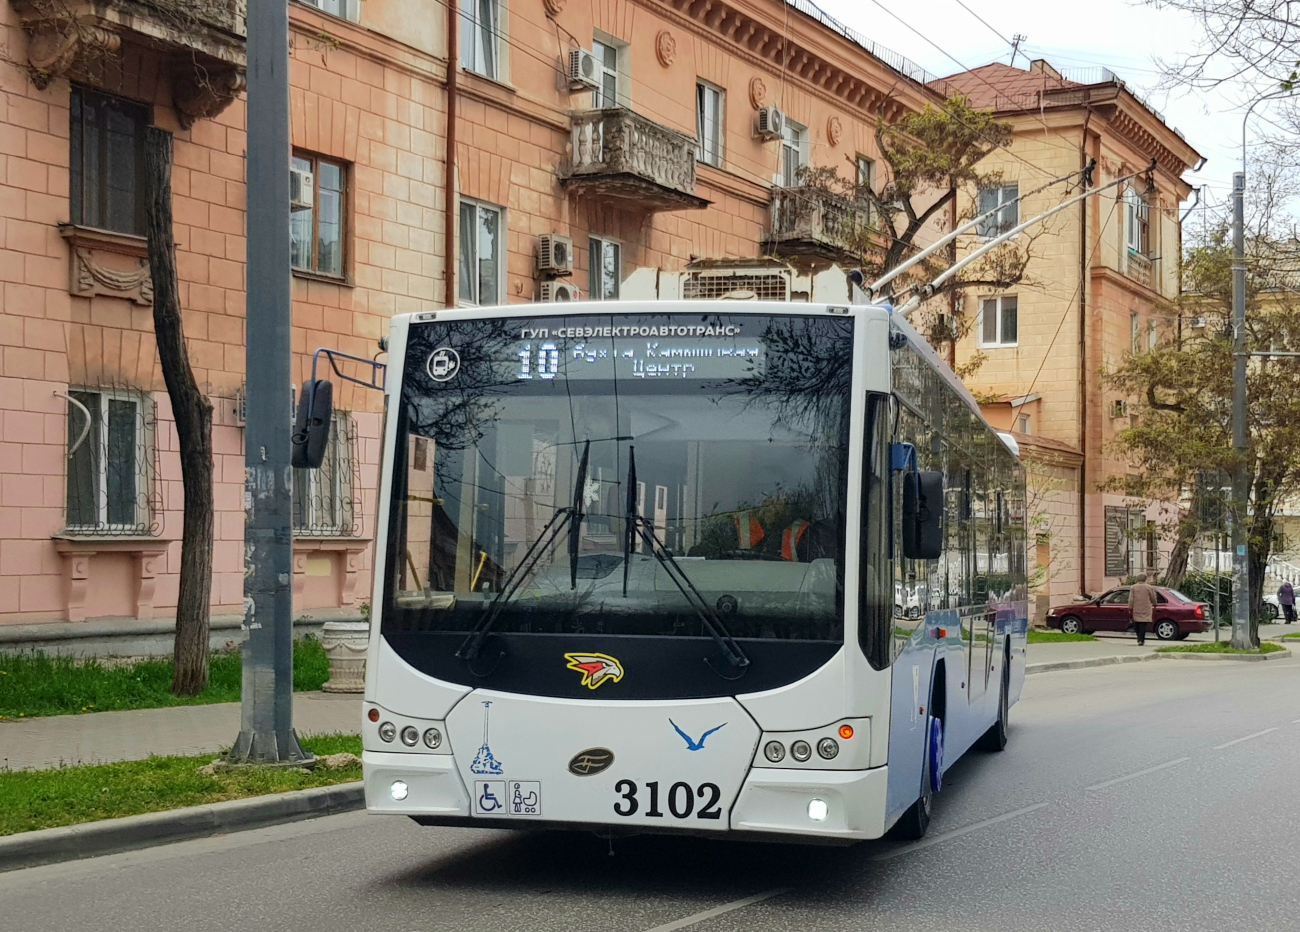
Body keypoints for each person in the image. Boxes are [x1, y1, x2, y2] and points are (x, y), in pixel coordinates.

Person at [1130, 573, 1158, 645]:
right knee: (1143, 624)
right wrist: (1154, 603)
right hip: (1146, 608)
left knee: (1137, 623)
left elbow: (1131, 599)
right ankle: (1141, 639)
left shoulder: (1133, 587)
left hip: (1136, 607)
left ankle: (1139, 638)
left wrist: (1130, 607)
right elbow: (1152, 597)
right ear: (1145, 579)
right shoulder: (1149, 587)